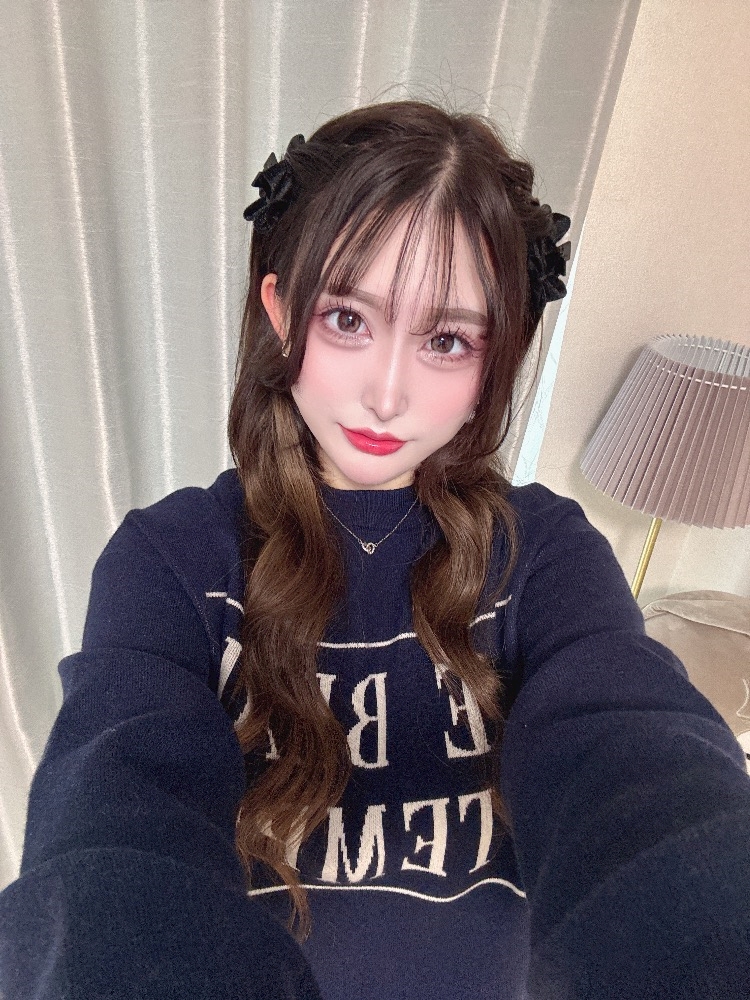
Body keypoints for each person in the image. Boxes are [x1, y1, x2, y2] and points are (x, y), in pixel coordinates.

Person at [1, 100, 748, 1000]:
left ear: (496, 360)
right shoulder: (169, 562)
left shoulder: (546, 556)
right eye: (348, 319)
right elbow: (115, 837)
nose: (388, 394)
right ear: (281, 311)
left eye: (447, 339)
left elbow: (638, 766)